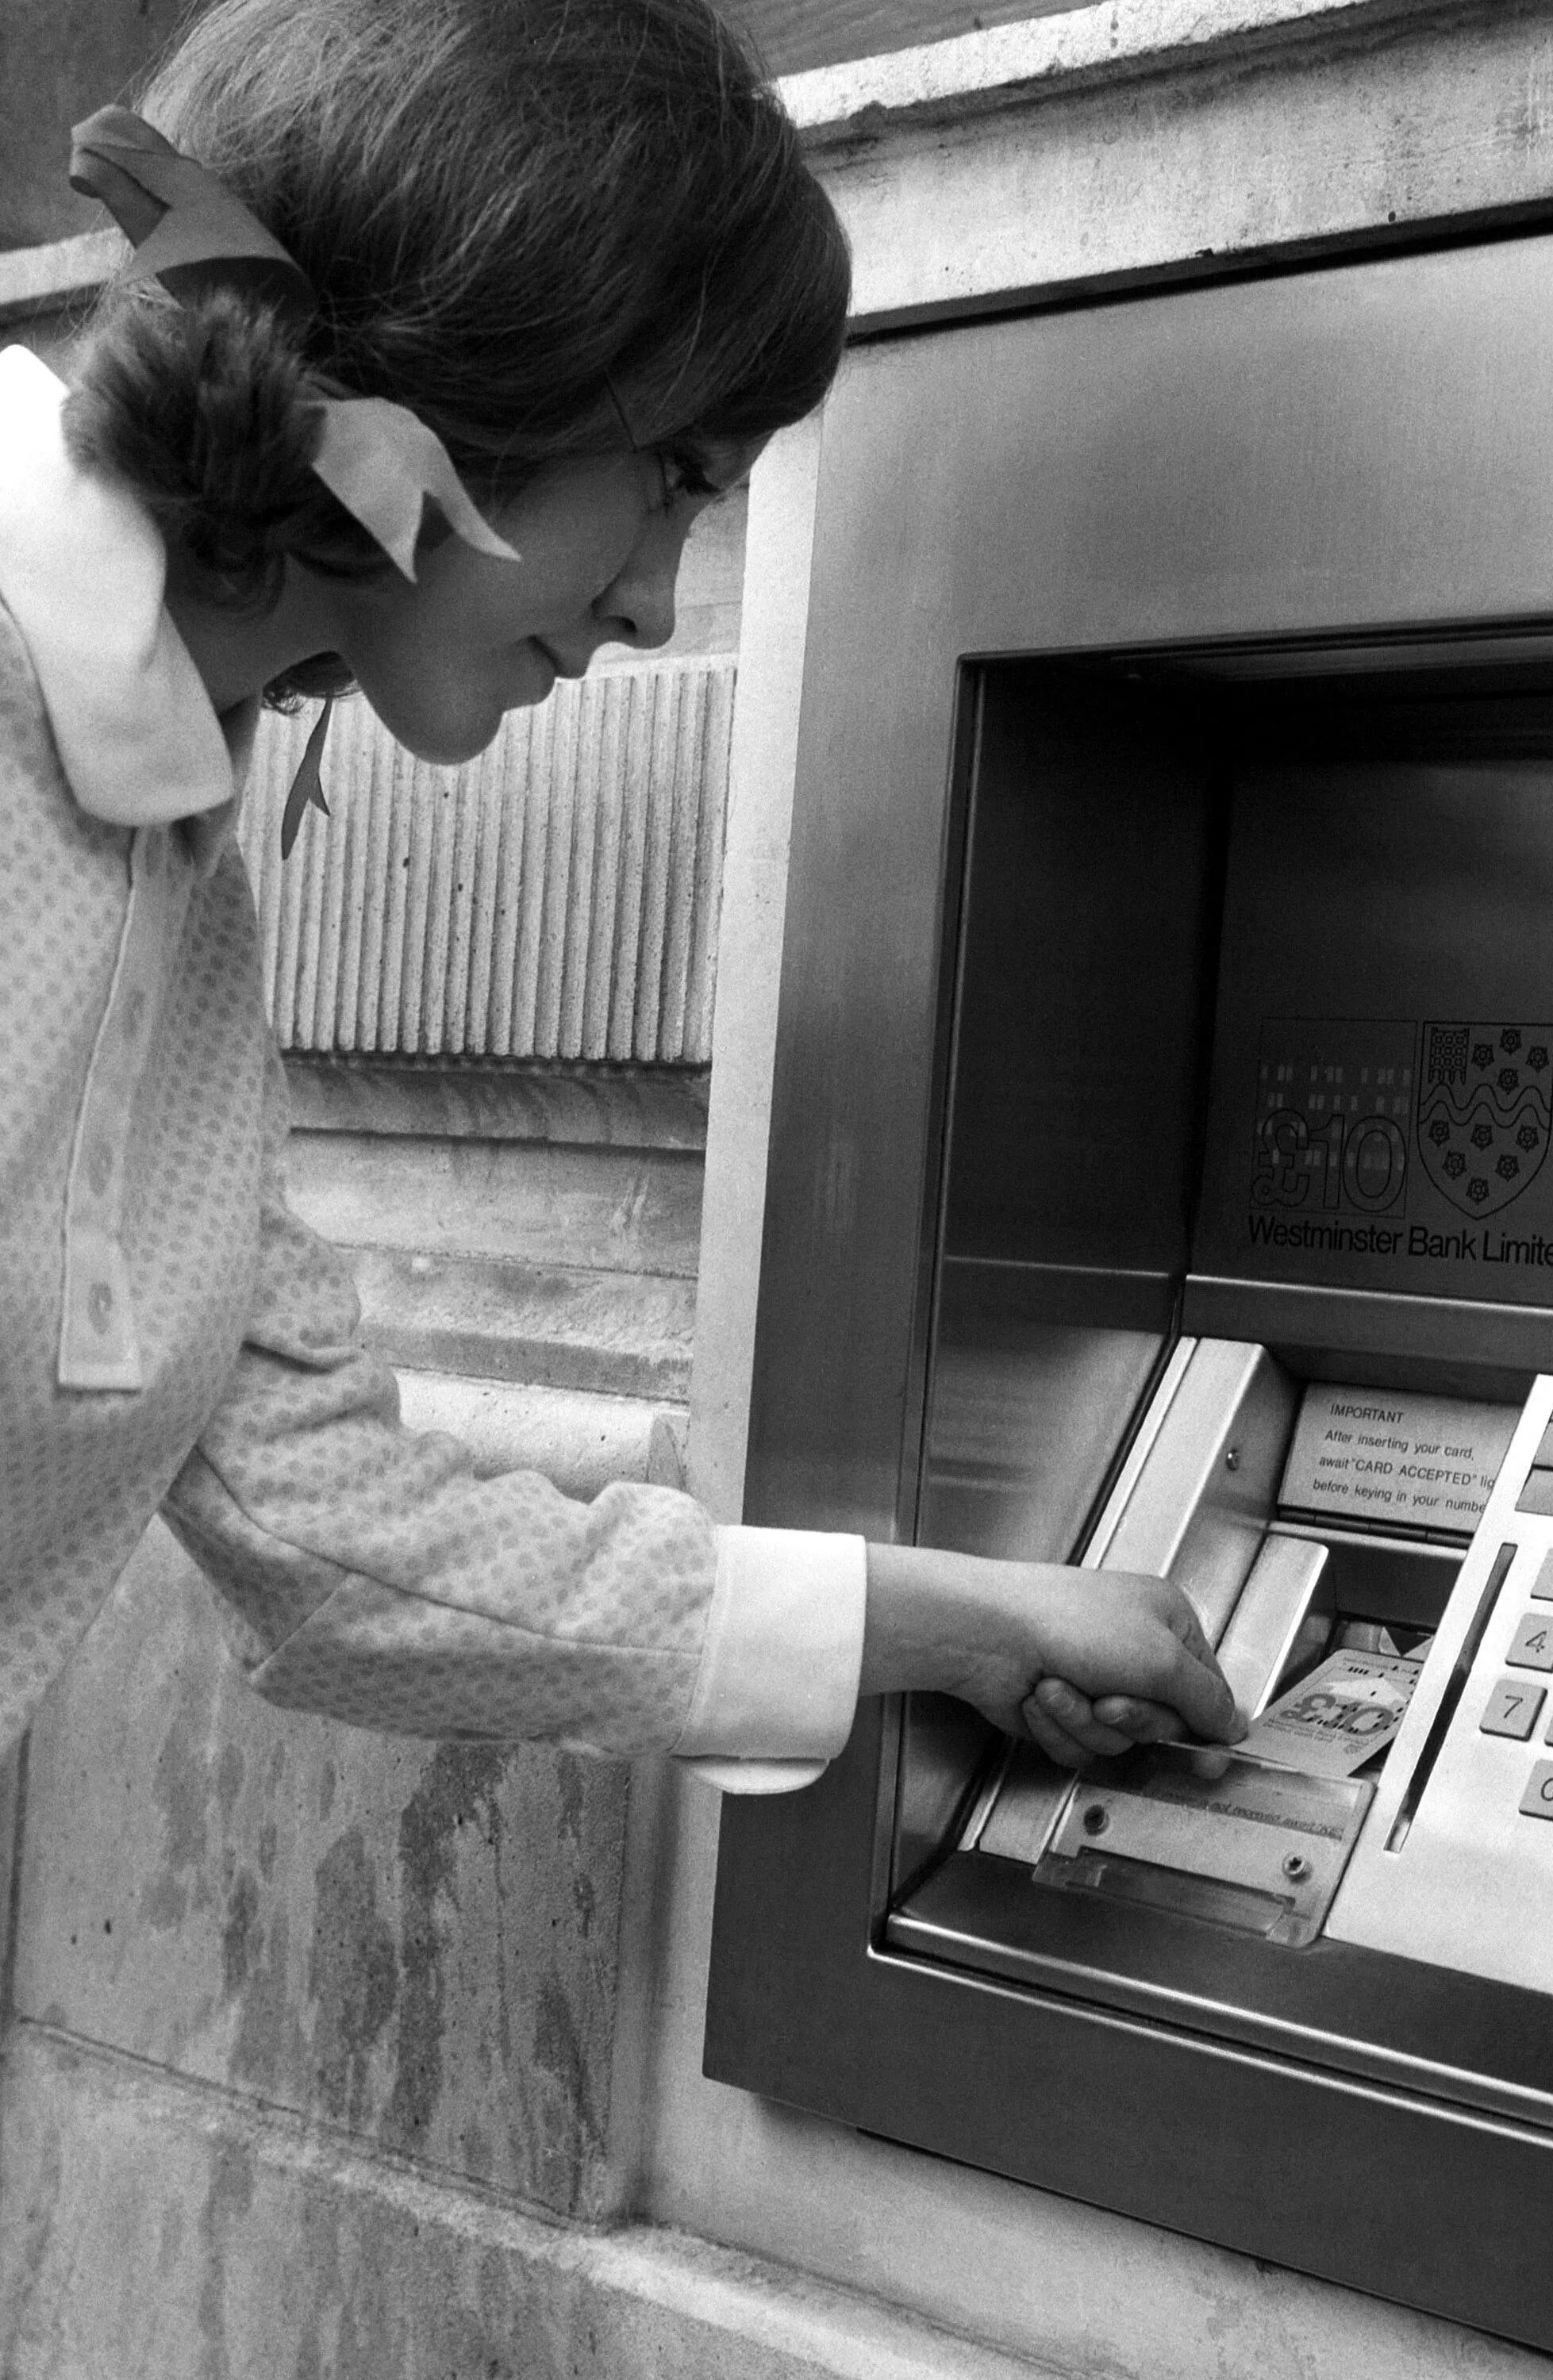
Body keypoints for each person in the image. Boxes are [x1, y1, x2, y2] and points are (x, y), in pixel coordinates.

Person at [0, 0, 1239, 1794]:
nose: (661, 602)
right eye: (671, 484)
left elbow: (334, 1529)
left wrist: (974, 1618)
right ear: (461, 374)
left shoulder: (167, 860)